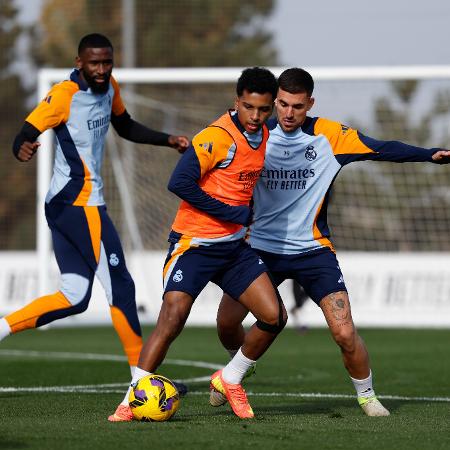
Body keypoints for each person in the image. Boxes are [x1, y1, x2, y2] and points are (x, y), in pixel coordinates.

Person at [212, 67, 450, 417]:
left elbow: (381, 149)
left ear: (310, 103)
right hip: (260, 248)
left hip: (313, 250)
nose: (288, 113)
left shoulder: (330, 136)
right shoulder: (255, 133)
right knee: (225, 322)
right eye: (282, 104)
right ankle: (236, 371)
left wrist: (428, 154)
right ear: (274, 100)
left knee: (344, 332)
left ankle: (367, 396)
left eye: (297, 106)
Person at [0, 34, 189, 388]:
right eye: (94, 63)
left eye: (107, 62)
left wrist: (168, 139)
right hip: (78, 204)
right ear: (79, 63)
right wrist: (20, 148)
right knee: (121, 286)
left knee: (74, 297)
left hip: (67, 206)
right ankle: (141, 381)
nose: (101, 70)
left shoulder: (110, 87)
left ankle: (1, 328)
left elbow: (126, 126)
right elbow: (25, 131)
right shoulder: (62, 96)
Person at [108, 67, 287, 422]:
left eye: (263, 109)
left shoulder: (267, 132)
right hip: (193, 245)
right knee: (172, 318)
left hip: (234, 250)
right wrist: (231, 212)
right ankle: (130, 401)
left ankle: (230, 378)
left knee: (274, 316)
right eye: (249, 107)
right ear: (237, 101)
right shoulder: (216, 136)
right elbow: (180, 182)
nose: (255, 116)